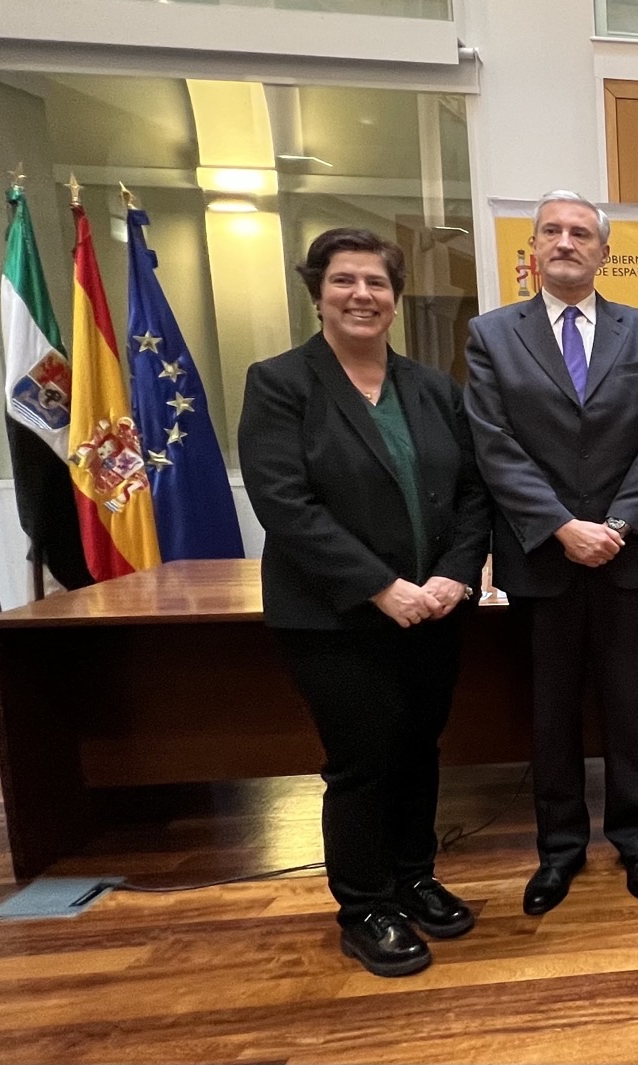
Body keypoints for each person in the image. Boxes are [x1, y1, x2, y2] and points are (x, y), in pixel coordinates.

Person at [239, 228, 490, 977]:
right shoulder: (282, 382)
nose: (361, 295)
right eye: (344, 281)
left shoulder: (432, 388)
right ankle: (364, 904)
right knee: (362, 758)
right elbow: (285, 503)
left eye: (376, 283)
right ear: (317, 292)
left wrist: (454, 574)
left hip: (434, 609)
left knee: (419, 746)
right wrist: (382, 587)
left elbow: (474, 492)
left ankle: (414, 876)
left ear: (395, 297)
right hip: (337, 616)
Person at [464, 191, 638, 913]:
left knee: (629, 704)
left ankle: (636, 837)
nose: (566, 241)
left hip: (629, 555)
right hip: (542, 556)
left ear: (603, 250)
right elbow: (494, 445)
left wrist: (614, 524)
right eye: (552, 231)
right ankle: (558, 848)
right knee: (551, 710)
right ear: (532, 248)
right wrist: (563, 526)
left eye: (580, 231)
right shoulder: (492, 335)